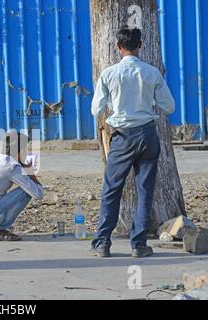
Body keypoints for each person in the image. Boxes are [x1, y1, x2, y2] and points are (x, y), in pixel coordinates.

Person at [91, 27, 175, 258]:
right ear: (140, 45)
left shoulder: (109, 74)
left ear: (119, 48)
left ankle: (102, 243)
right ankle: (138, 245)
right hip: (147, 135)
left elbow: (96, 109)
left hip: (122, 137)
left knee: (112, 189)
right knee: (145, 190)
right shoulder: (152, 73)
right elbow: (169, 107)